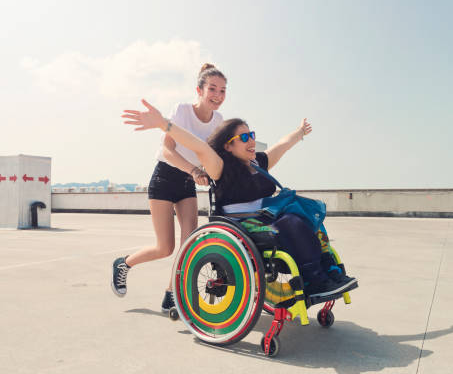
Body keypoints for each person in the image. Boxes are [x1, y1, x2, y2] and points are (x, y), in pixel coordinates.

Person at [122, 100, 358, 298]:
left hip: (265, 218)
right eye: (244, 137)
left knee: (307, 216)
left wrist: (299, 133)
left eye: (252, 135)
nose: (251, 141)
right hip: (241, 223)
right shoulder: (220, 167)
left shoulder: (259, 162)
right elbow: (199, 146)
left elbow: (282, 146)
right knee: (292, 222)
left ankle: (329, 271)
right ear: (229, 145)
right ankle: (314, 282)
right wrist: (164, 124)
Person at [111, 64, 227, 313]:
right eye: (212, 89)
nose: (217, 95)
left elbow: (212, 155)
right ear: (199, 89)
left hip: (187, 184)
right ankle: (124, 264)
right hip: (164, 177)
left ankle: (171, 294)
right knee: (165, 247)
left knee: (189, 245)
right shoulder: (183, 110)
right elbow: (167, 150)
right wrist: (195, 170)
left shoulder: (219, 121)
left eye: (223, 90)